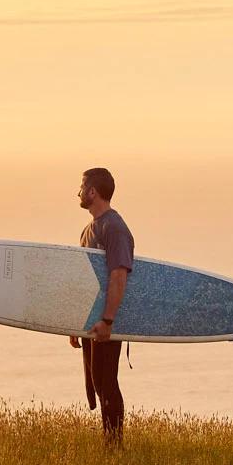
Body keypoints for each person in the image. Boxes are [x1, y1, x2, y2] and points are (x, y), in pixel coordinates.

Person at [69, 166, 134, 444]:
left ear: (93, 192)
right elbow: (85, 281)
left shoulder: (114, 228)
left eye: (82, 187)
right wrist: (75, 322)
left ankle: (115, 444)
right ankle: (109, 440)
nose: (79, 192)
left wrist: (108, 320)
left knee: (106, 381)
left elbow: (118, 276)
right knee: (96, 381)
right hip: (92, 320)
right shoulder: (89, 230)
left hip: (107, 320)